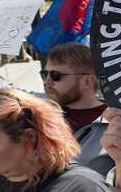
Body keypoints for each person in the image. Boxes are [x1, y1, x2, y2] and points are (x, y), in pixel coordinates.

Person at [41, 42, 111, 174]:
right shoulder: (41, 114)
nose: (46, 81)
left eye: (55, 75)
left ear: (87, 82)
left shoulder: (118, 123)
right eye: (44, 74)